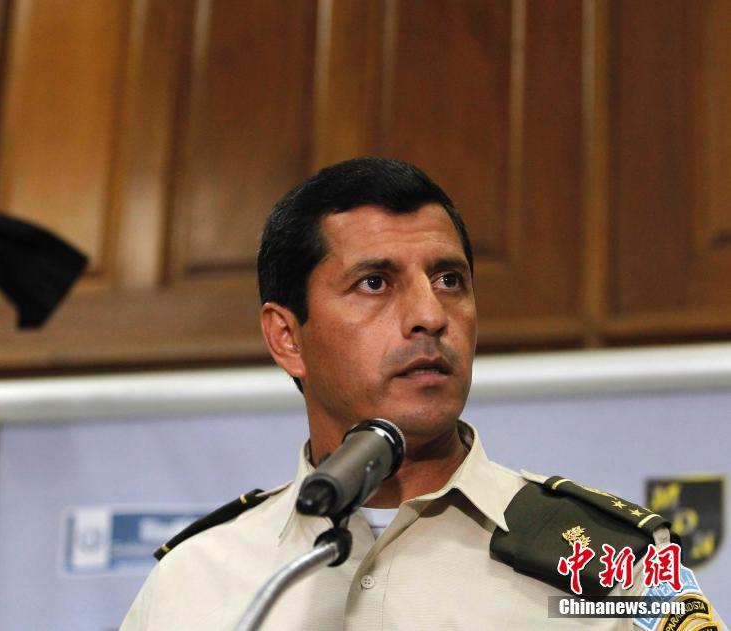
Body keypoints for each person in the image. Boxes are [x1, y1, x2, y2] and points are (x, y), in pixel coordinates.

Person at [121, 158, 724, 630]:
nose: (430, 315)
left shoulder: (621, 564)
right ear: (287, 337)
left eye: (449, 279)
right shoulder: (193, 579)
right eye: (374, 283)